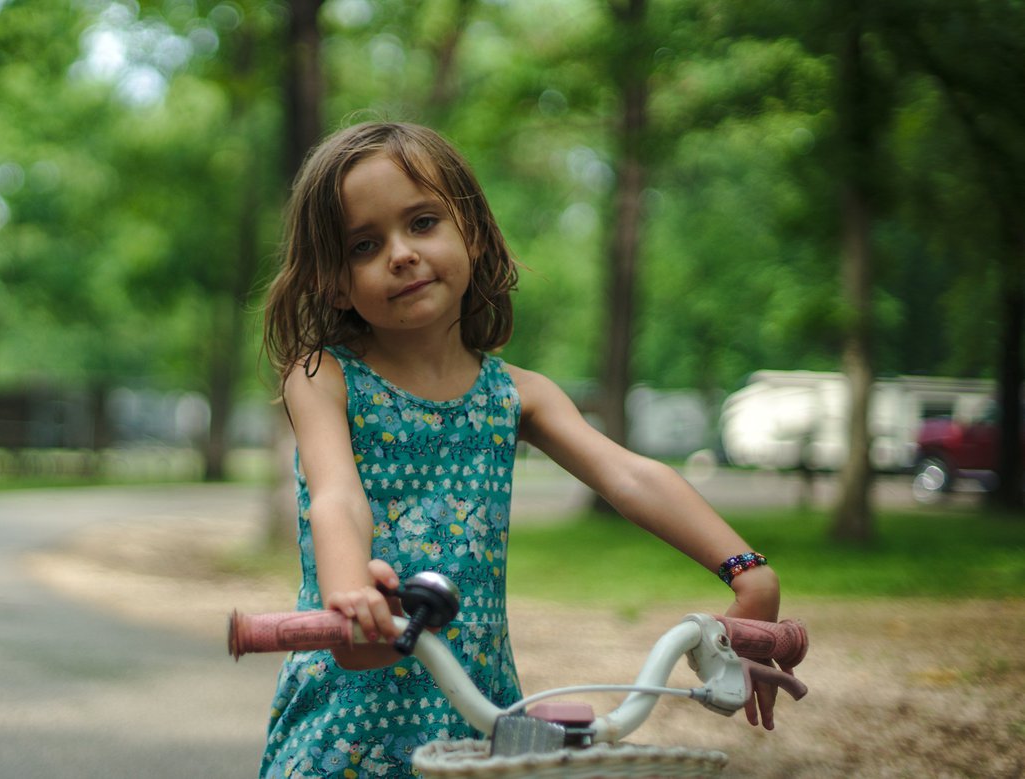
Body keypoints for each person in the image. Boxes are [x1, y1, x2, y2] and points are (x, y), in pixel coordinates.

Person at [258, 121, 782, 779]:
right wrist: (348, 596)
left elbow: (627, 474)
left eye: (422, 223)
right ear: (335, 283)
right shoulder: (324, 375)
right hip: (348, 714)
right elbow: (336, 494)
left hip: (479, 711)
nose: (400, 252)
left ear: (470, 234)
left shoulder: (516, 394)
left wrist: (745, 569)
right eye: (365, 244)